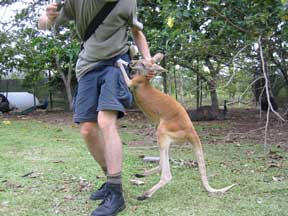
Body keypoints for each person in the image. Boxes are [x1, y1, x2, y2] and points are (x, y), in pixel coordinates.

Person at [38, 1, 154, 215]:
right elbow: (44, 25)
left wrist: (147, 60)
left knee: (105, 121)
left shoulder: (127, 2)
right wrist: (49, 17)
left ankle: (115, 193)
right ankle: (110, 179)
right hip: (88, 67)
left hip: (116, 62)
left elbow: (136, 32)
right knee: (87, 129)